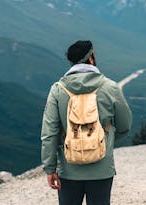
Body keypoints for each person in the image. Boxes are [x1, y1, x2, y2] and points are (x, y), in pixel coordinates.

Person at [41, 40, 132, 205]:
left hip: (68, 169)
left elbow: (49, 133)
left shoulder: (58, 89)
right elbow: (124, 125)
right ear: (91, 58)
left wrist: (50, 168)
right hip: (102, 168)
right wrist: (103, 141)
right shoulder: (110, 87)